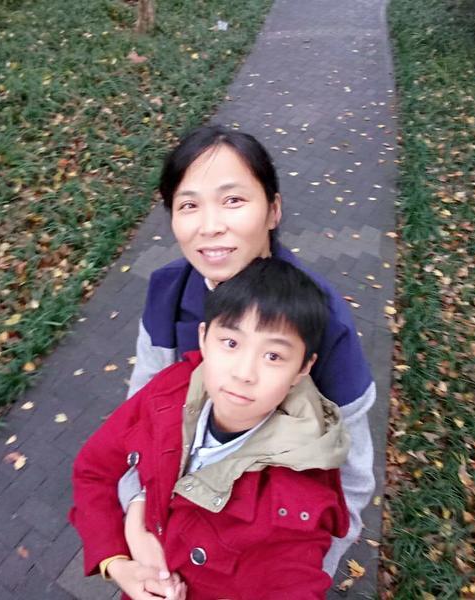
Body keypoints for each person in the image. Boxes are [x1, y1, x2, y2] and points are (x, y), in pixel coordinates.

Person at [124, 125, 376, 575]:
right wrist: (135, 516)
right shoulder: (167, 294)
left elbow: (351, 477)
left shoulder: (320, 318)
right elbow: (136, 418)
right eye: (189, 205)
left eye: (233, 200)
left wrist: (306, 575)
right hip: (169, 535)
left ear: (273, 210)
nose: (210, 226)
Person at [70, 258, 351, 599]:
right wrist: (116, 563)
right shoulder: (168, 391)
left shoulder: (296, 497)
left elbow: (295, 582)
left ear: (303, 368)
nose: (244, 373)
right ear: (203, 338)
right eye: (231, 343)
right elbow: (93, 470)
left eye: (273, 356)